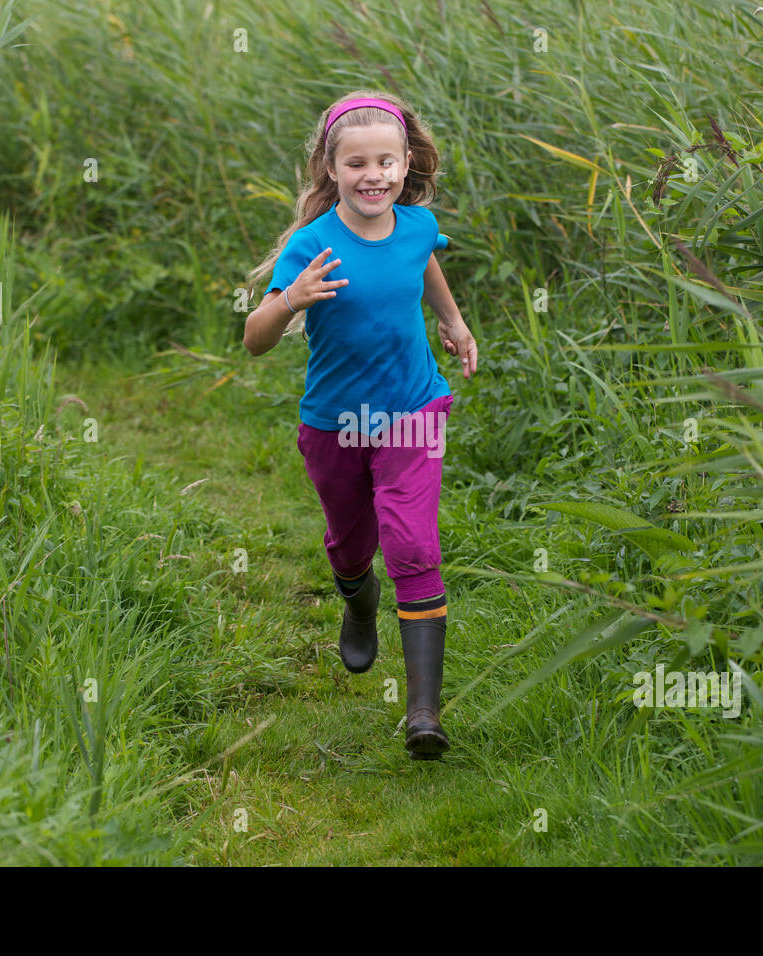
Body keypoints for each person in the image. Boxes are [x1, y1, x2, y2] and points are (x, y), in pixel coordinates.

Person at [243, 91, 478, 759]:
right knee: (350, 547)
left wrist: (452, 321)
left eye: (386, 162)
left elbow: (424, 261)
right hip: (336, 424)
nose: (373, 175)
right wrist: (292, 299)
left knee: (412, 544)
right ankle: (358, 600)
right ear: (330, 168)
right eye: (356, 164)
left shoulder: (416, 226)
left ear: (406, 163)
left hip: (412, 410)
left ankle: (424, 715)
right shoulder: (311, 245)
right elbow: (255, 340)